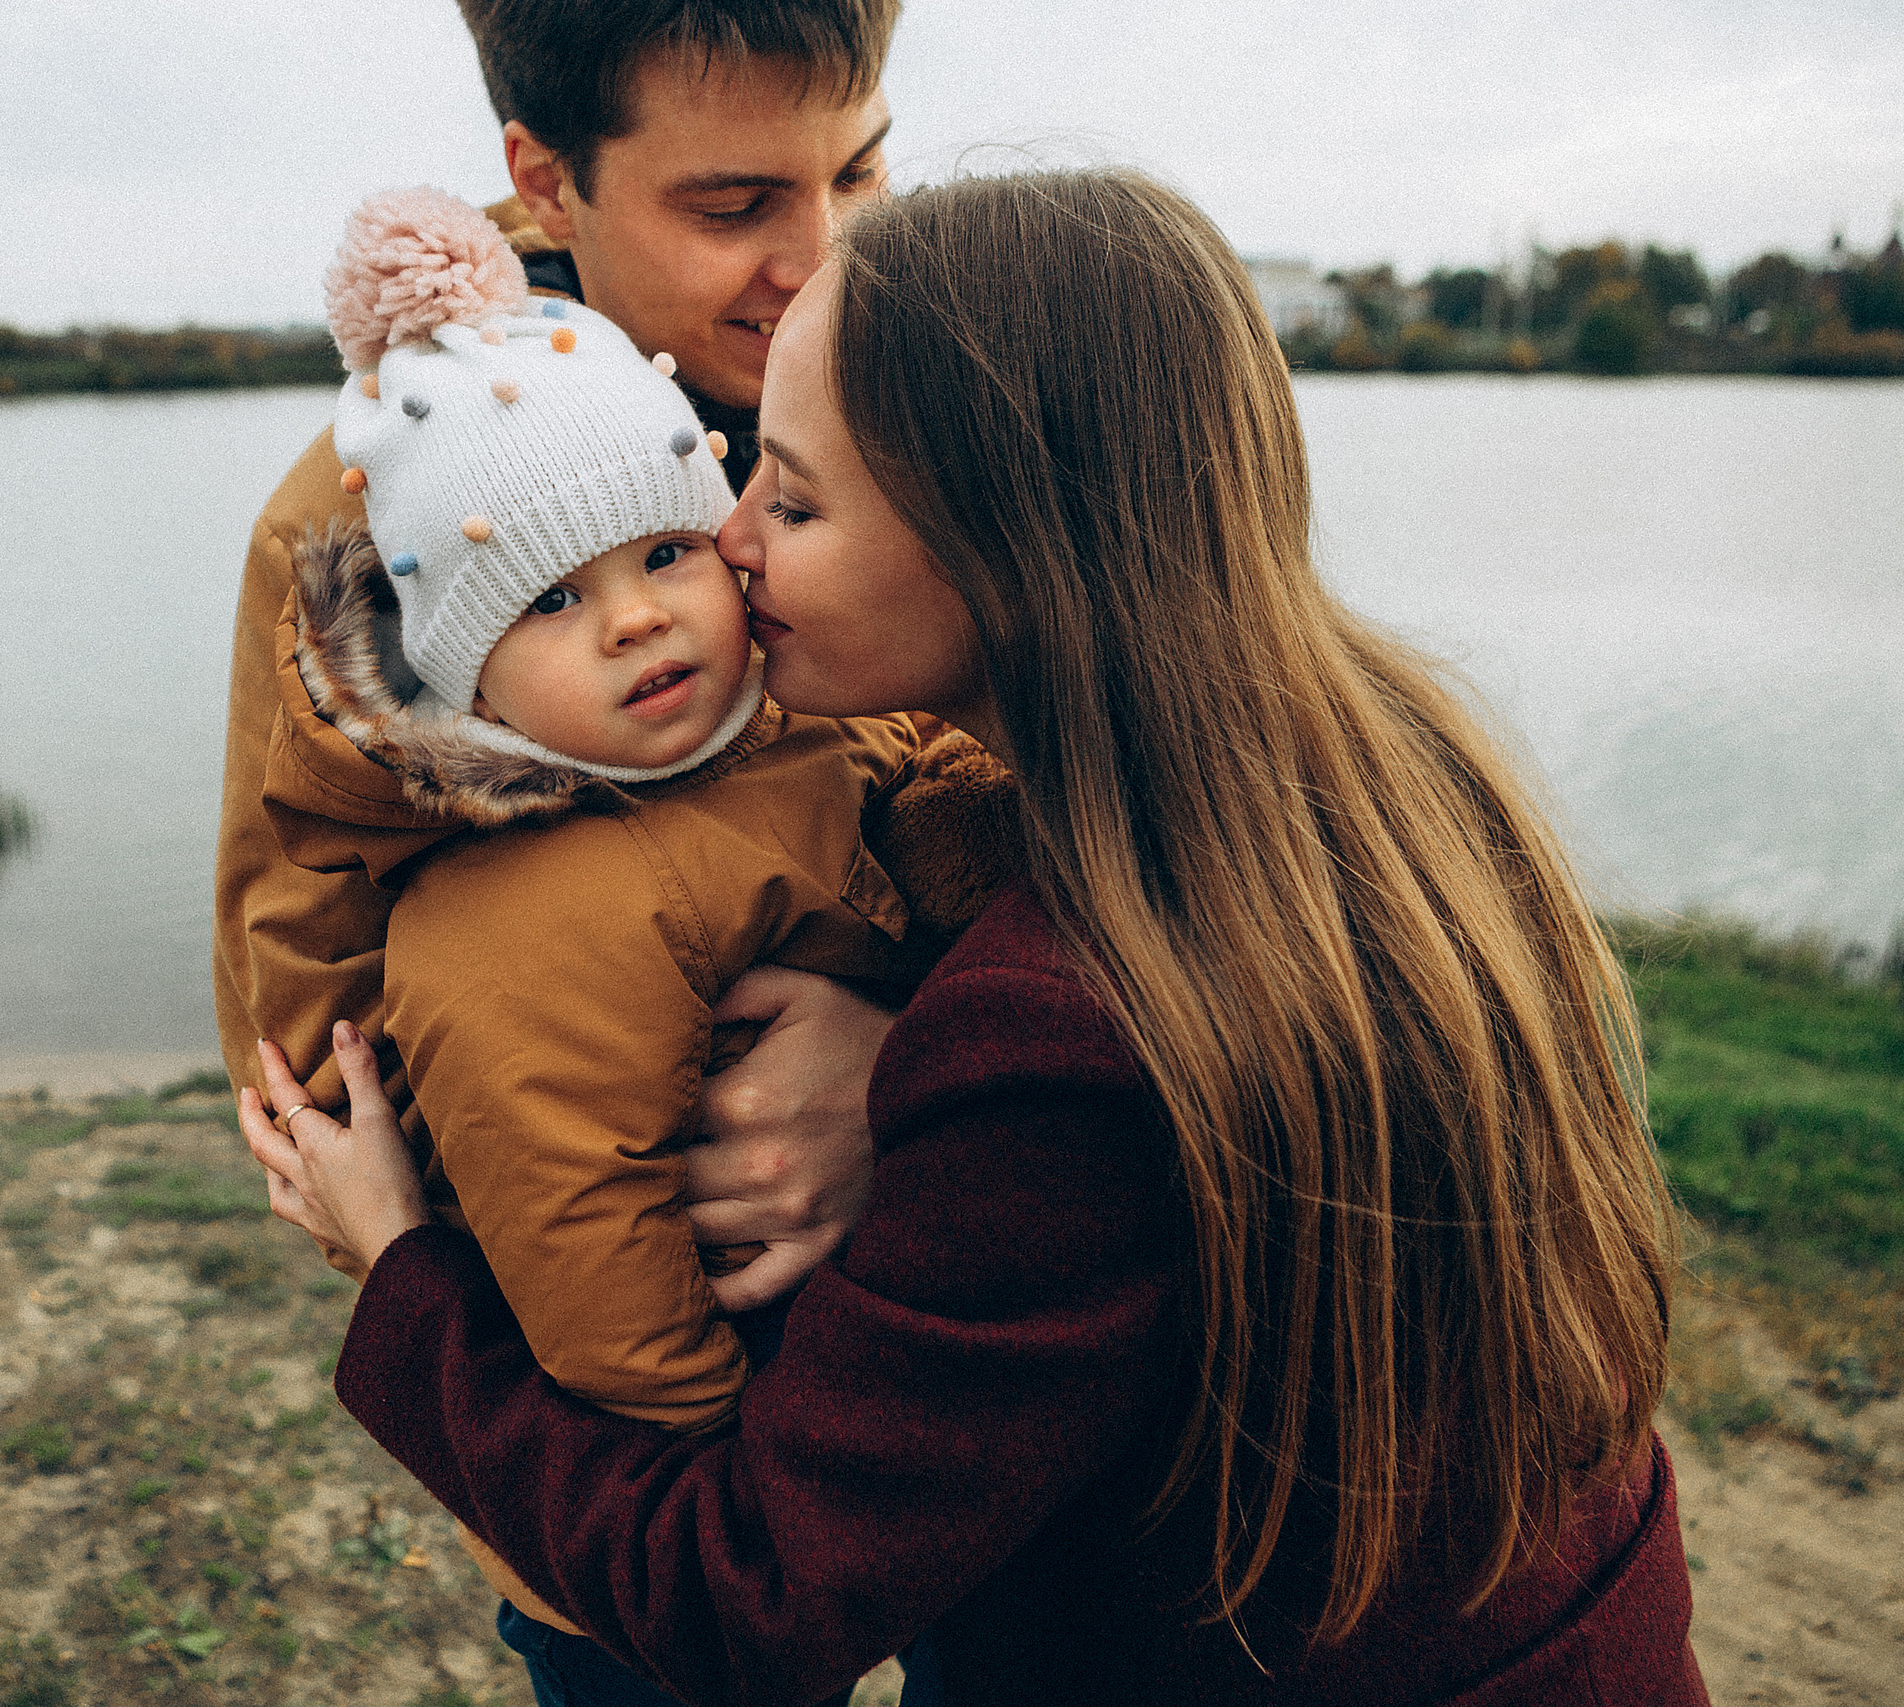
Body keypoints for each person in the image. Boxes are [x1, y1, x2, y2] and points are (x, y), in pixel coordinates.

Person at [241, 168, 1709, 1706]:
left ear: (1002, 540)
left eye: (790, 500)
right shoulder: (1397, 771)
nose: (728, 541)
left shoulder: (1048, 1042)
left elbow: (752, 1604)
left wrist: (406, 1272)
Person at [279, 183, 1009, 1675]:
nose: (635, 620)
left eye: (665, 554)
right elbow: (579, 1231)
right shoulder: (516, 921)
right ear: (469, 687)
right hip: (671, 1502)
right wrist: (706, 1453)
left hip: (873, 1407)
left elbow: (945, 820)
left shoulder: (802, 726)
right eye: (552, 596)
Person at [211, 0, 907, 1315]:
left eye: (860, 170)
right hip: (645, 1386)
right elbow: (319, 1082)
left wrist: (917, 1065)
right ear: (547, 182)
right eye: (731, 204)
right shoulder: (360, 531)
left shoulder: (928, 372)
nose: (823, 260)